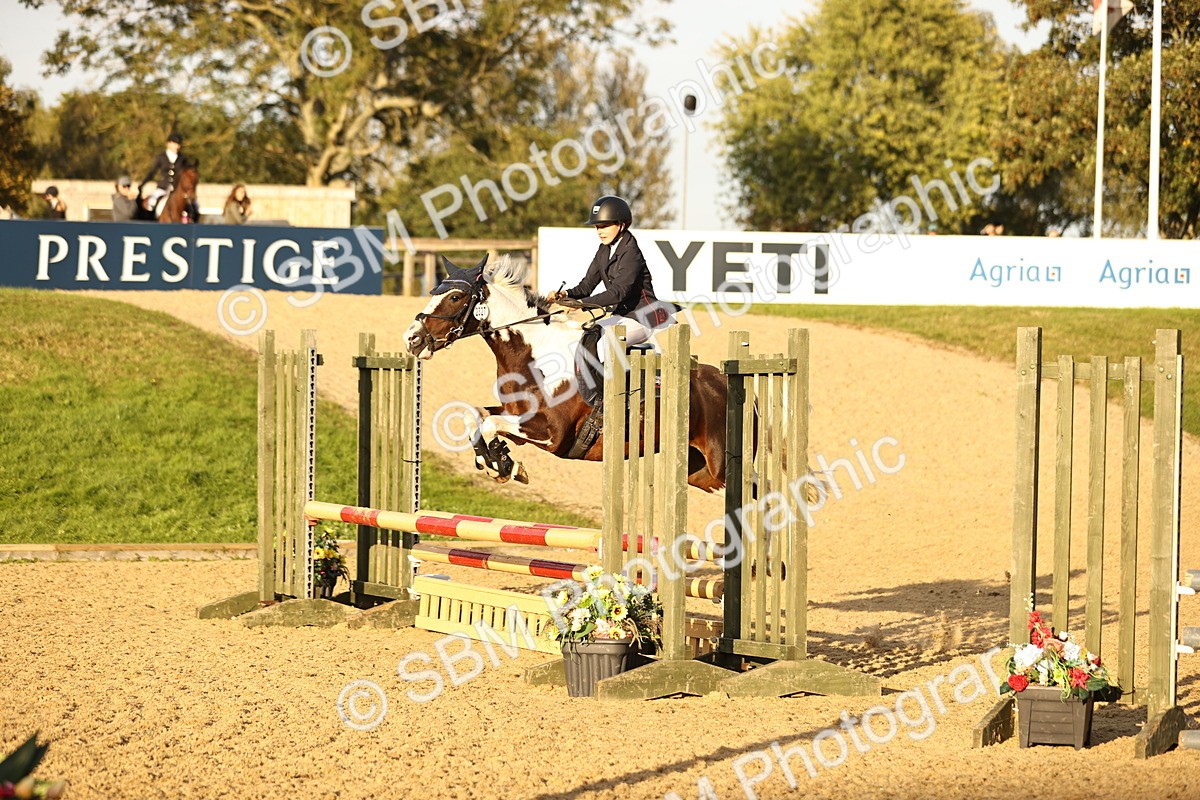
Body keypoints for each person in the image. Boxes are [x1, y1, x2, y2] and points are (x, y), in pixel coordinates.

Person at [547, 195, 674, 362]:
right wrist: (565, 295)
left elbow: (618, 293)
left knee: (602, 345)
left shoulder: (631, 252)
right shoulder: (604, 250)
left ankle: (607, 388)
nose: (600, 231)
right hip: (622, 316)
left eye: (605, 226)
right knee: (586, 338)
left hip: (643, 318)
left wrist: (580, 305)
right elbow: (586, 286)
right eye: (597, 227)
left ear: (621, 225)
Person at [140, 131, 186, 215]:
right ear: (169, 144)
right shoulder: (161, 157)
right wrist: (142, 184)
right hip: (163, 188)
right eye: (175, 143)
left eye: (178, 144)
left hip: (177, 189)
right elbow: (152, 173)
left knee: (194, 205)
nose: (177, 146)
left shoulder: (182, 159)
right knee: (151, 203)